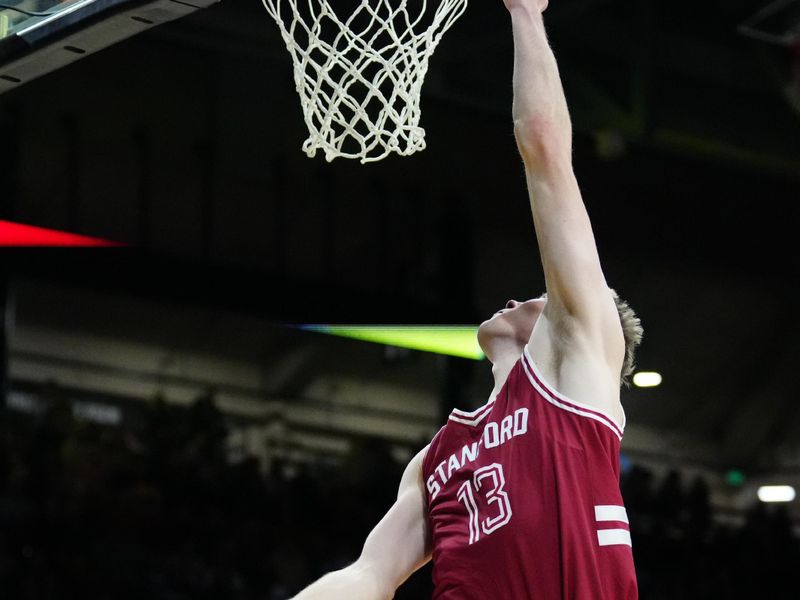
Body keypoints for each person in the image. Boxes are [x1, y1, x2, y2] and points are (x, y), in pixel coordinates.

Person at [290, 0, 642, 597]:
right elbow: (368, 575)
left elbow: (547, 158)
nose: (522, 297)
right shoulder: (438, 459)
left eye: (549, 296)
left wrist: (526, 14)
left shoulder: (577, 361)